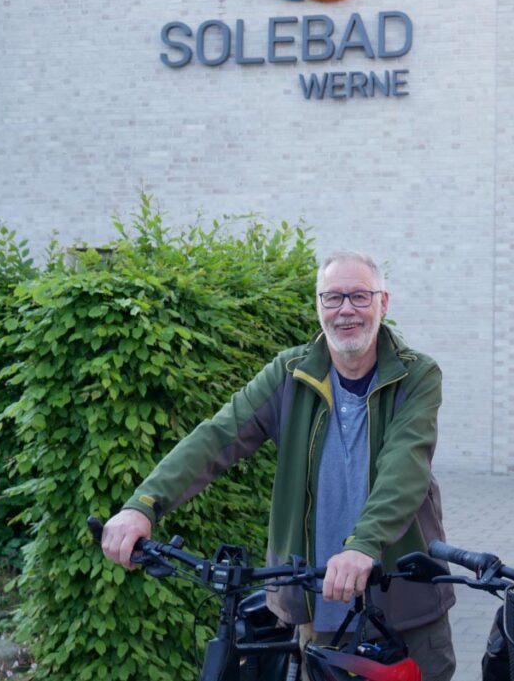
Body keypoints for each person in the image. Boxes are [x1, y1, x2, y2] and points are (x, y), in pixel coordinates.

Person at [100, 250, 456, 681]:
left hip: (404, 603)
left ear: (383, 303)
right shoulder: (290, 373)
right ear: (317, 306)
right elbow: (218, 436)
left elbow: (405, 466)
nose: (346, 310)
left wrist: (364, 544)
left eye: (360, 296)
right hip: (316, 603)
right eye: (333, 297)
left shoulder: (416, 376)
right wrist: (144, 503)